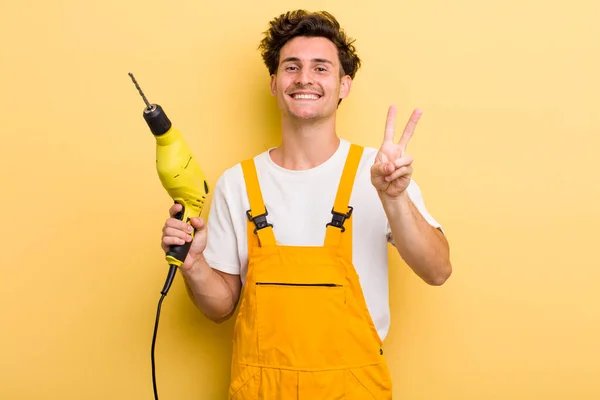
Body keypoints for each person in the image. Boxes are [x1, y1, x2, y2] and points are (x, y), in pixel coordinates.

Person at [160, 9, 452, 399]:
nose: (304, 79)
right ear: (274, 82)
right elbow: (220, 307)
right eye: (292, 67)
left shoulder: (380, 172)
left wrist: (395, 200)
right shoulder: (238, 184)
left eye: (321, 68)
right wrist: (194, 266)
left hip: (353, 389)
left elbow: (438, 270)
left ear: (344, 85)